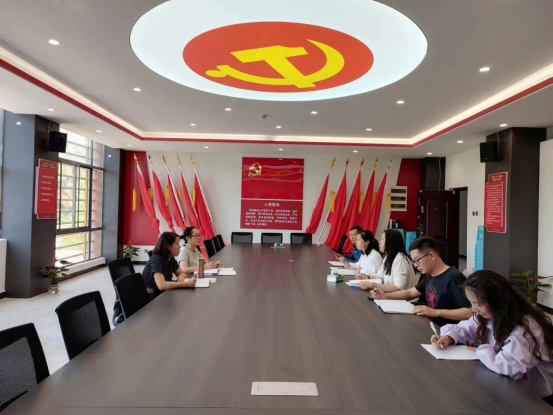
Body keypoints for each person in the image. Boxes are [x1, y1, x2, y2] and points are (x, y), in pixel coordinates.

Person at [432, 271, 553, 403]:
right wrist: (449, 337)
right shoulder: (490, 315)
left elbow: (508, 367)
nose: (474, 309)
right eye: (471, 303)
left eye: (479, 304)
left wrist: (481, 350)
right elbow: (465, 328)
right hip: (508, 387)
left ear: (496, 301)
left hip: (536, 397)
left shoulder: (525, 326)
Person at [371, 237, 472, 325]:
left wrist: (436, 312)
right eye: (414, 261)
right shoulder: (430, 275)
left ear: (431, 255)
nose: (416, 265)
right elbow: (410, 293)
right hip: (429, 325)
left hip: (446, 332)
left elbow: (470, 312)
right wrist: (385, 295)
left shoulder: (454, 278)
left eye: (417, 260)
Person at [142, 232, 196, 299]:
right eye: (177, 243)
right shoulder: (157, 259)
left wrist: (180, 278)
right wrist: (186, 284)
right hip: (152, 296)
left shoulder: (170, 258)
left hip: (164, 293)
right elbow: (161, 285)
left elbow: (181, 272)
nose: (180, 246)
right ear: (168, 246)